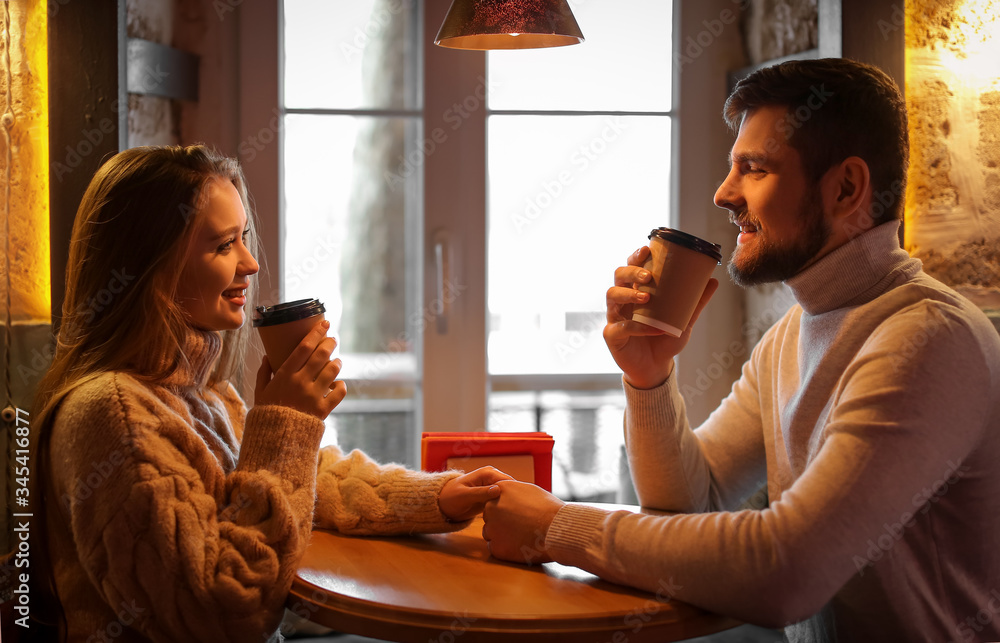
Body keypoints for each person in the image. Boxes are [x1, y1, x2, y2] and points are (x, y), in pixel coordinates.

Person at [481, 58, 1000, 641]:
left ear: (847, 188)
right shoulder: (795, 331)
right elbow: (690, 503)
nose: (724, 194)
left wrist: (557, 528)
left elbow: (788, 570)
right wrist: (649, 377)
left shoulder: (928, 337)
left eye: (754, 169)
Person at [27, 144, 510, 642]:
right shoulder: (115, 416)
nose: (251, 263)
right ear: (148, 267)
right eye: (222, 246)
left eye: (244, 238)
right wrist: (284, 425)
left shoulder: (206, 395)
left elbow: (310, 483)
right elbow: (224, 613)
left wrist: (438, 496)